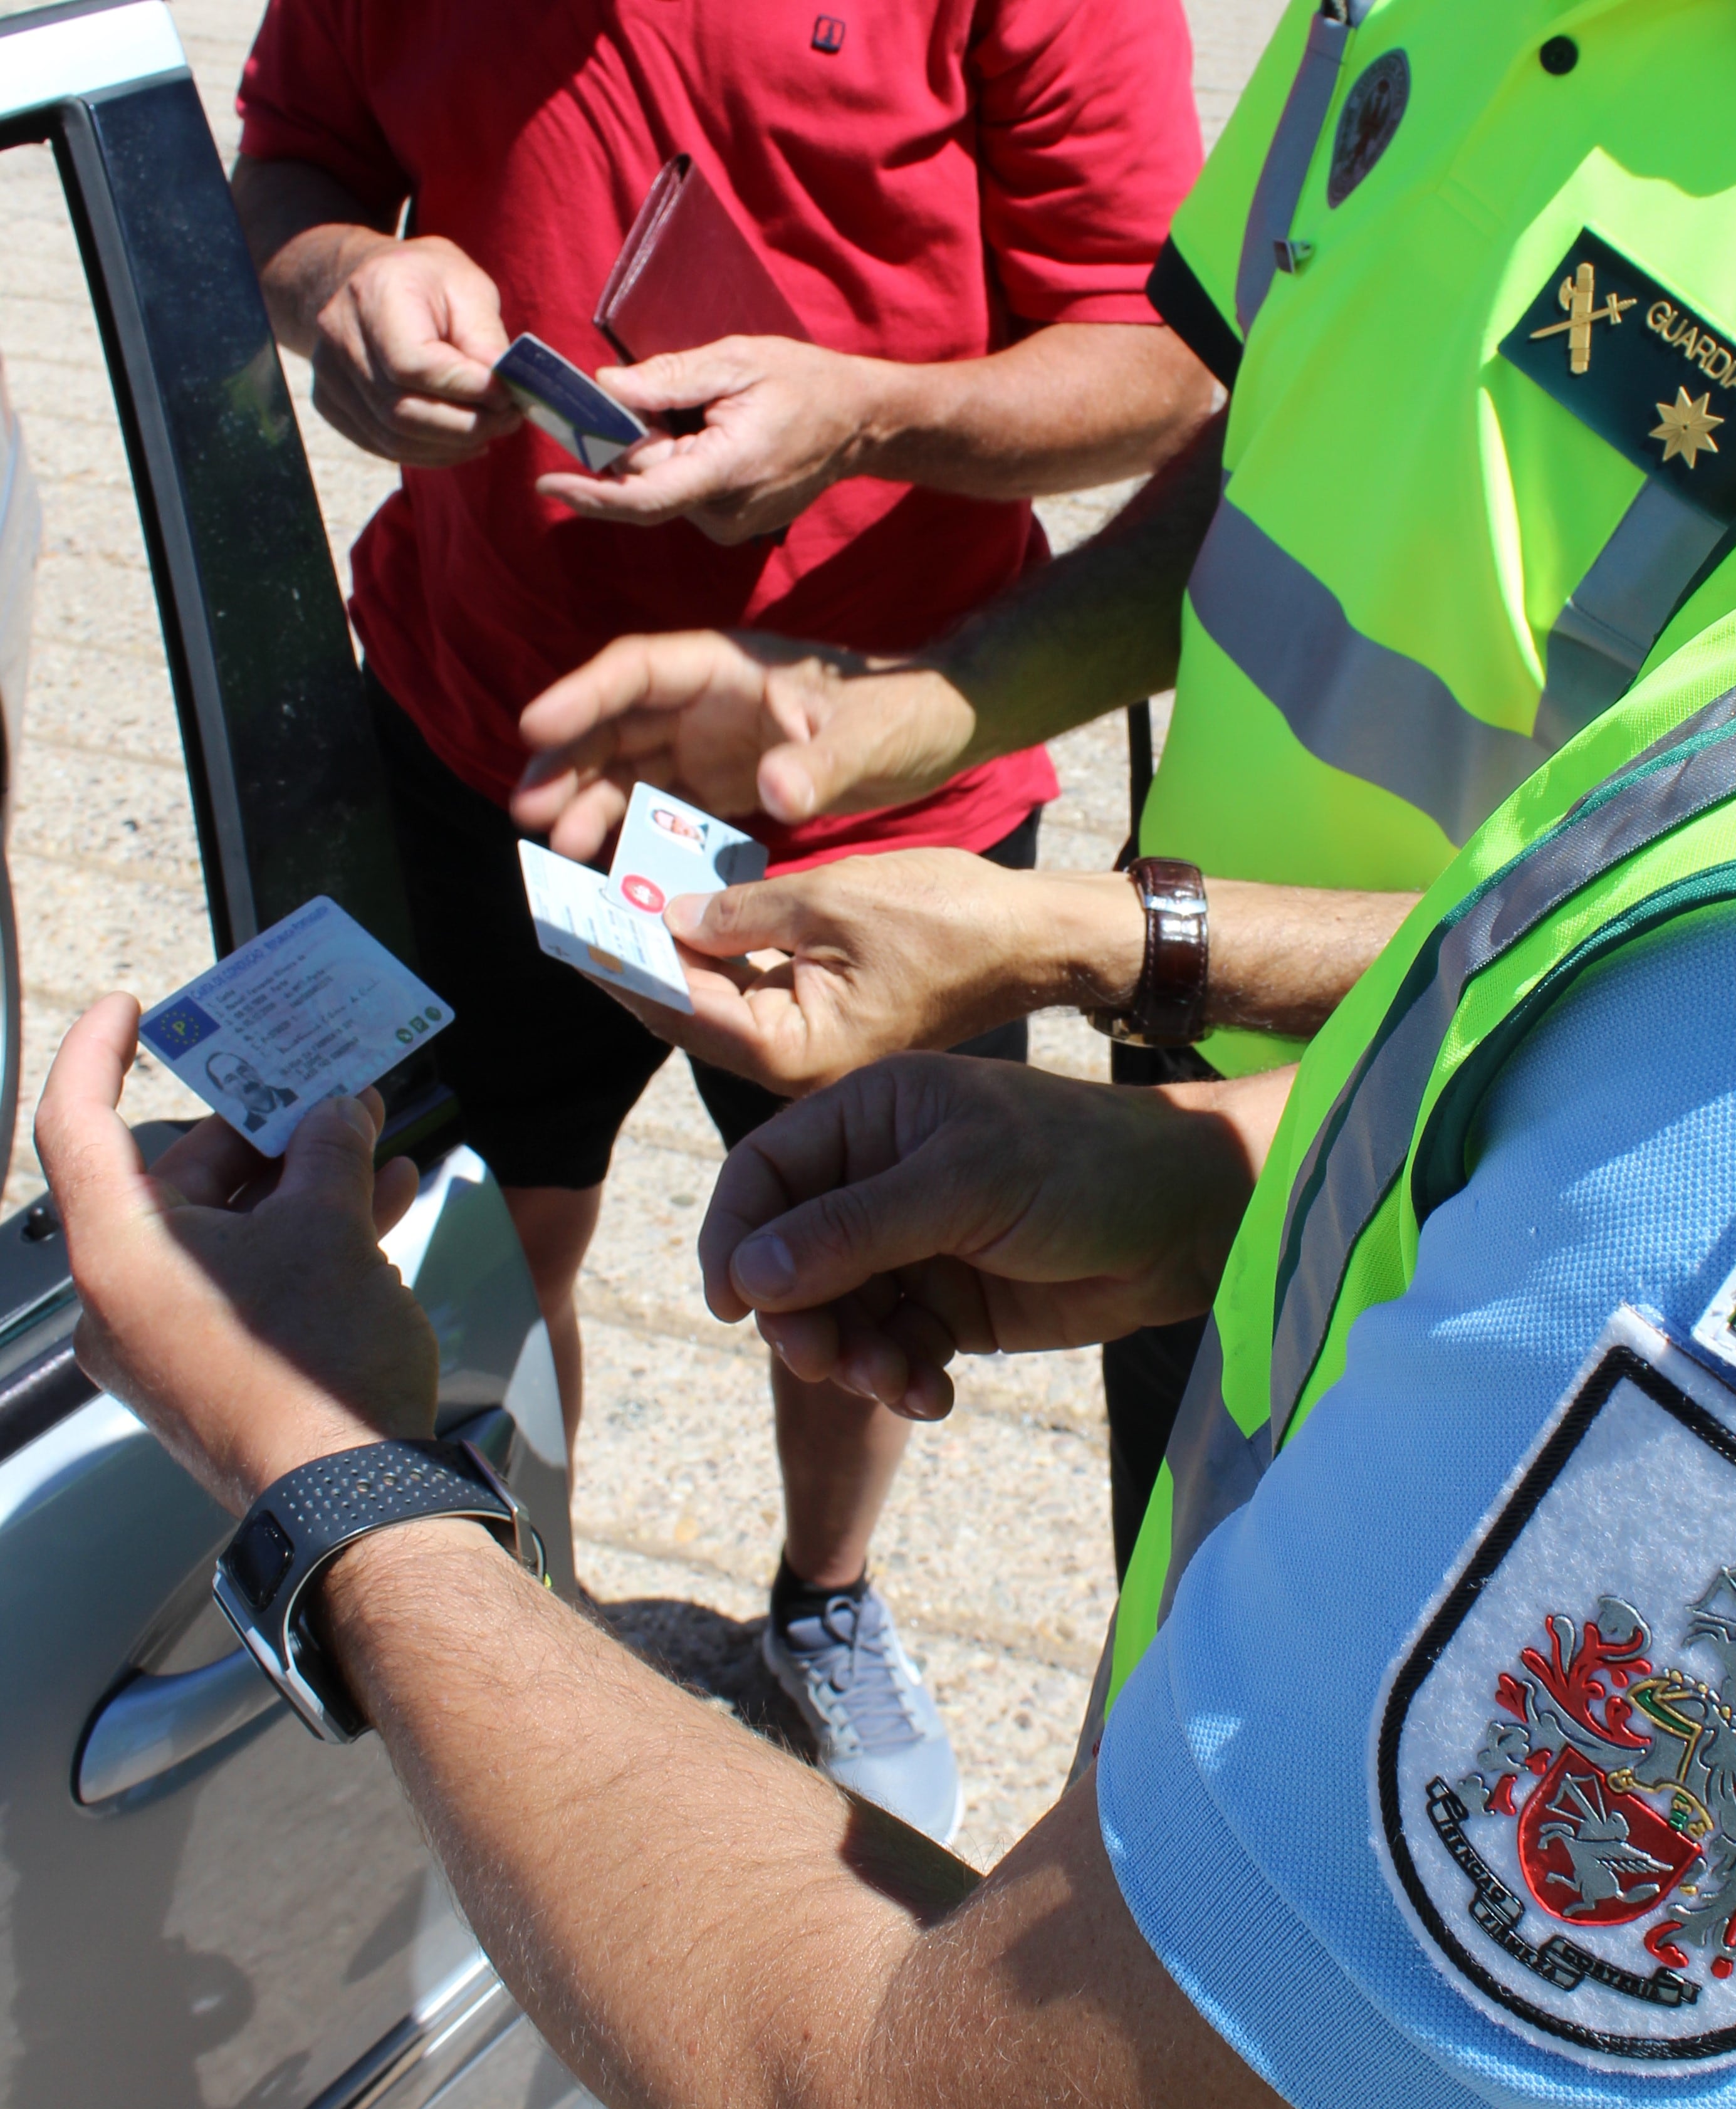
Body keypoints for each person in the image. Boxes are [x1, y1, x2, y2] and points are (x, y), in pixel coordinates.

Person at [508, 3, 1736, 2109]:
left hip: (1568, 1239)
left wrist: (1112, 937)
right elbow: (1249, 434)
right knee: (1186, 1844)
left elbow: (1715, 871)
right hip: (1280, 1157)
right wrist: (897, 718)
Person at [509, 0, 1736, 1585]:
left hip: (1496, 1237)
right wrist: (878, 714)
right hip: (1172, 1138)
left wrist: (1082, 937)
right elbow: (1259, 468)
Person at [227, 0, 1215, 1840]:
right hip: (479, 741)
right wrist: (343, 283)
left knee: (861, 1267)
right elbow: (287, 158)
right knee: (476, 1228)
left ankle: (824, 1597)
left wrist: (876, 417)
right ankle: (520, 1592)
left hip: (873, 786)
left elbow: (1167, 361)